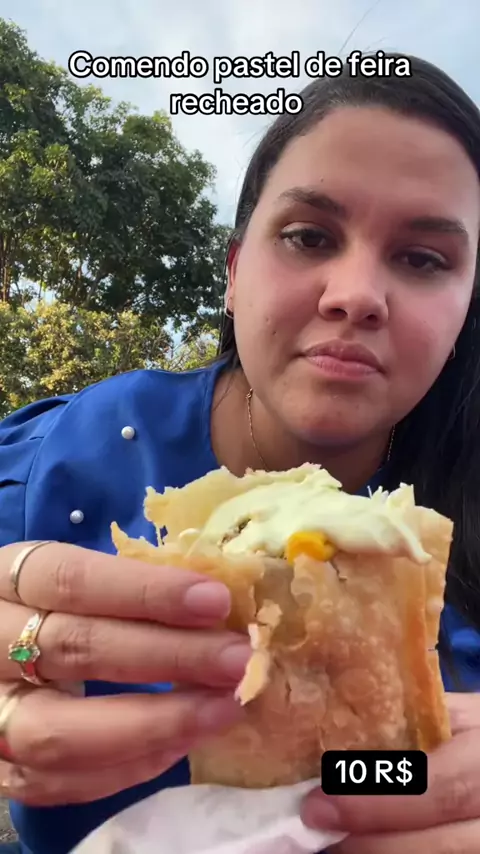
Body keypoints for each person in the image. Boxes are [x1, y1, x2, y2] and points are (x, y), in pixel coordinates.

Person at [1, 51, 480, 854]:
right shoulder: (51, 471)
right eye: (308, 236)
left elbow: (357, 784)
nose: (356, 295)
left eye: (423, 258)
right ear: (231, 274)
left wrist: (388, 788)